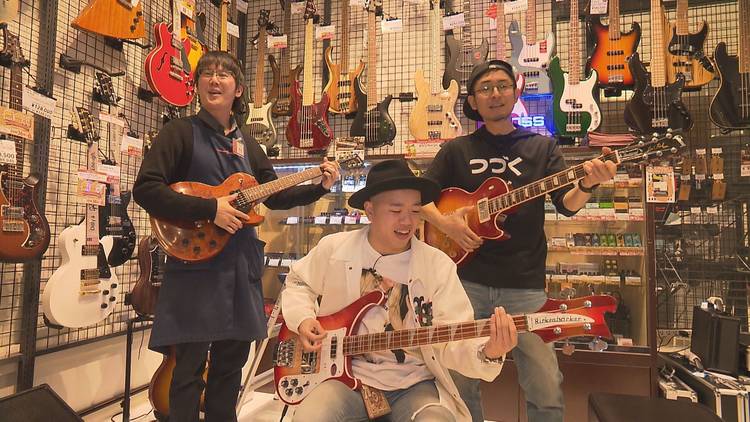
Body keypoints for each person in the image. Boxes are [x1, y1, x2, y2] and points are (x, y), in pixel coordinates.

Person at [132, 50, 340, 422]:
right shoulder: (179, 133)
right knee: (188, 370)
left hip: (240, 268)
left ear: (238, 89)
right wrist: (210, 209)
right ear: (196, 85)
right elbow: (146, 189)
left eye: (224, 74)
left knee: (230, 370)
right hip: (194, 268)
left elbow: (274, 195)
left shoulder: (249, 144)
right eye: (207, 73)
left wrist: (318, 186)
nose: (214, 79)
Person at [421, 60, 618, 422]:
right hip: (465, 283)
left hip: (525, 284)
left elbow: (567, 204)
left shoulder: (542, 147)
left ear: (516, 92)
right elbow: (421, 199)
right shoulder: (456, 150)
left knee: (545, 384)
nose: (495, 93)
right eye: (485, 88)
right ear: (473, 101)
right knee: (460, 382)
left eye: (502, 85)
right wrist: (447, 225)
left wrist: (589, 183)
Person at [280, 159, 518, 421]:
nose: (407, 221)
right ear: (370, 210)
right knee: (310, 417)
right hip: (343, 379)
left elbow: (453, 337)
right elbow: (299, 282)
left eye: (415, 210)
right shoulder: (334, 248)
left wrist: (488, 351)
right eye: (395, 210)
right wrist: (303, 318)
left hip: (415, 384)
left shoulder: (437, 265)